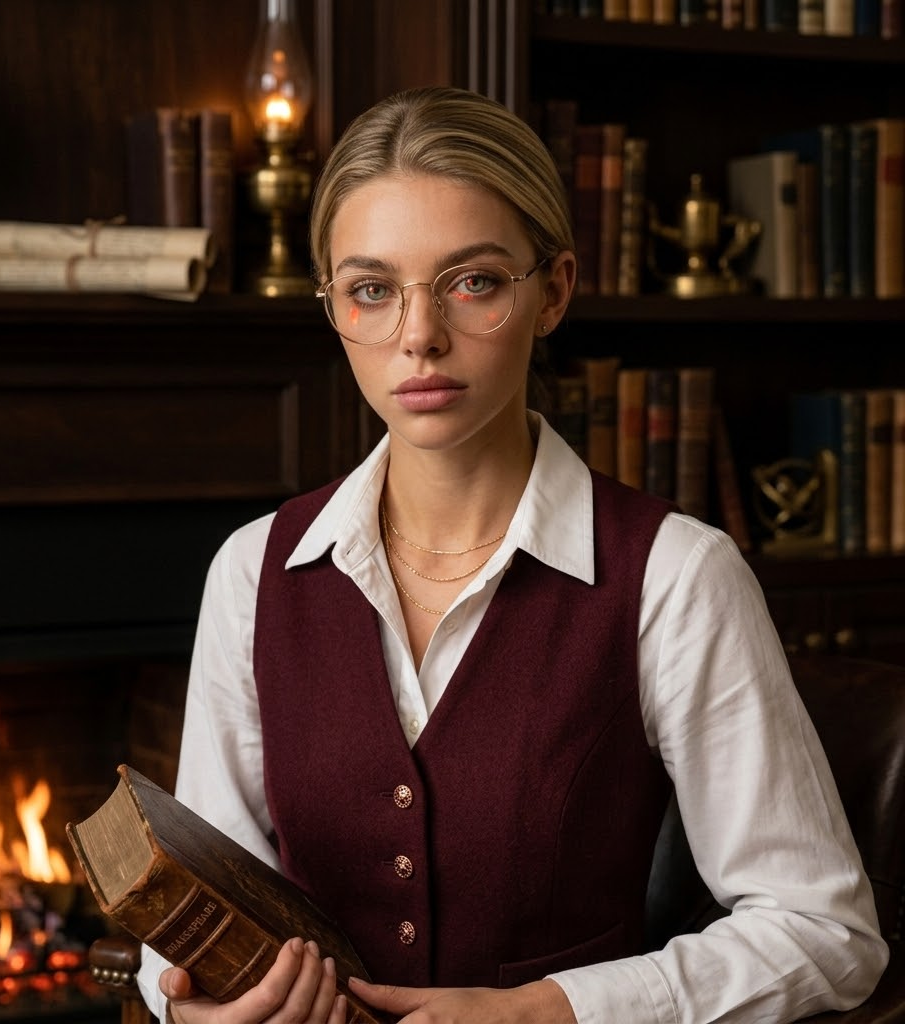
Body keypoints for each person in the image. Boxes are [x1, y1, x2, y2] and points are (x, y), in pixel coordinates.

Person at [136, 86, 888, 1024]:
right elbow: (192, 908)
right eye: (372, 290)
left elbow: (826, 933)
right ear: (334, 308)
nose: (419, 336)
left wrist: (554, 1010)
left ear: (554, 292)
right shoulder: (252, 572)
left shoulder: (677, 575)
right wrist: (184, 1010)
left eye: (473, 281)